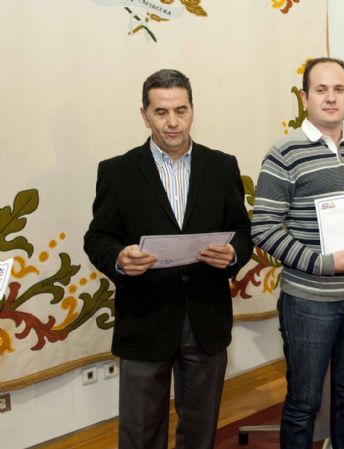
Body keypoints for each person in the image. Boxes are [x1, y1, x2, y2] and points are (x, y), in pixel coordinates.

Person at [84, 69, 253, 449]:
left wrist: (233, 254)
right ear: (144, 115)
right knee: (140, 433)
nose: (172, 122)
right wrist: (118, 258)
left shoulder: (222, 166)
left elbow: (242, 231)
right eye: (161, 112)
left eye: (181, 110)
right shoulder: (118, 171)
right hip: (145, 318)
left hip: (206, 318)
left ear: (193, 110)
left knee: (200, 430)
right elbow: (98, 237)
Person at [251, 57, 344, 449]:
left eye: (339, 89)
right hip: (309, 303)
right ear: (305, 98)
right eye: (321, 90)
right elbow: (263, 227)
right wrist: (323, 263)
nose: (331, 98)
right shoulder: (284, 152)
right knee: (303, 403)